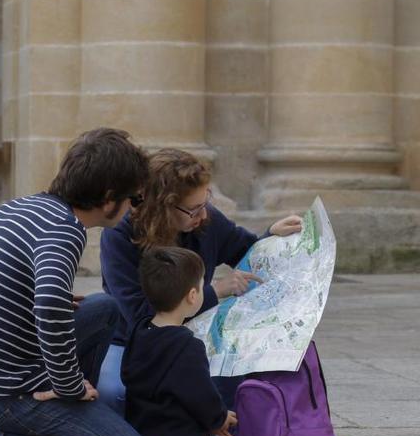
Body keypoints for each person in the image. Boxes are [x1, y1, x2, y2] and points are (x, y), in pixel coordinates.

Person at [0, 128, 157, 436]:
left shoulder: (18, 209)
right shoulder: (65, 230)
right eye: (134, 199)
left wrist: (19, 298)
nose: (133, 208)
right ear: (110, 196)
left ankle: (64, 409)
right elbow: (50, 306)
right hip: (3, 392)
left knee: (105, 308)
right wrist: (71, 386)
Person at [97, 148, 303, 413]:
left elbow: (246, 251)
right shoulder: (120, 234)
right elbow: (139, 316)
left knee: (233, 377)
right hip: (133, 341)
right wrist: (214, 292)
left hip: (196, 333)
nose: (203, 215)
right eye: (194, 210)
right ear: (162, 206)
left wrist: (271, 236)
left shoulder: (206, 220)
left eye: (205, 202)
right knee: (115, 393)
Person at [123, 246, 239, 436]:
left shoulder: (140, 330)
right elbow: (202, 396)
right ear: (193, 296)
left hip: (143, 434)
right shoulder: (187, 346)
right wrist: (220, 418)